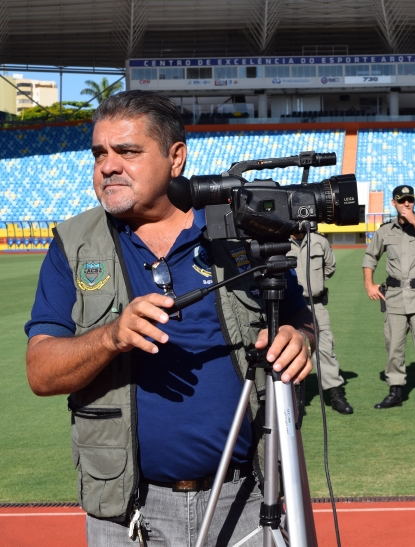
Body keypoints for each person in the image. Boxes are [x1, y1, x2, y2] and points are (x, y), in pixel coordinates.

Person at [24, 90, 314, 547]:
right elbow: (41, 372)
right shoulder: (73, 244)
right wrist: (111, 337)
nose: (108, 166)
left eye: (127, 151)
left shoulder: (240, 229)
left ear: (176, 157)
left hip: (248, 499)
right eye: (99, 153)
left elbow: (298, 314)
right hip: (126, 512)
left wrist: (300, 337)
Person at [362, 185, 415, 411]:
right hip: (395, 298)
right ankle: (395, 391)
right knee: (394, 348)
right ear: (394, 203)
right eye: (401, 200)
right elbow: (370, 256)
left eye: (410, 200)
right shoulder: (385, 230)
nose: (406, 204)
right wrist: (369, 284)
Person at [288, 229, 353, 414]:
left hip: (314, 305)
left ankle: (336, 394)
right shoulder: (278, 240)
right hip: (287, 306)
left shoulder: (319, 241)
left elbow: (330, 267)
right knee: (289, 351)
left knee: (325, 350)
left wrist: (316, 282)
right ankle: (293, 400)